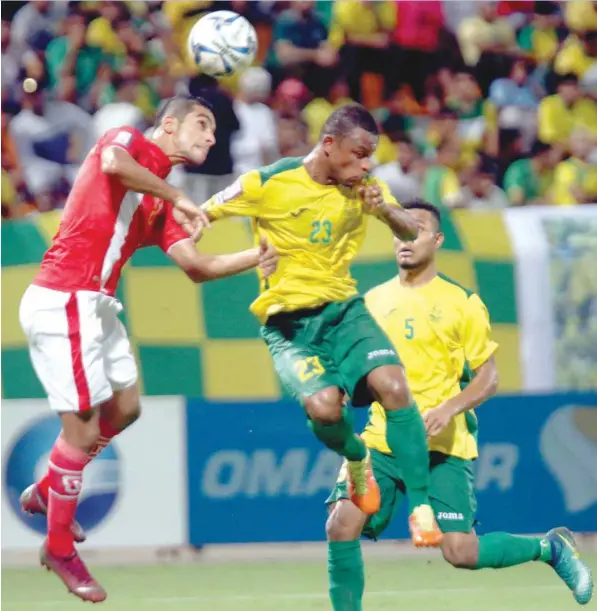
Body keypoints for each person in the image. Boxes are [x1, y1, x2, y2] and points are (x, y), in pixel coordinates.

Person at [18, 94, 279, 603]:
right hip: (63, 297)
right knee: (83, 428)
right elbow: (116, 164)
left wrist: (258, 255)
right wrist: (180, 197)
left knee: (128, 407)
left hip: (96, 306)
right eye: (201, 125)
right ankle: (58, 548)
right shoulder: (125, 143)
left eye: (213, 130)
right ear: (167, 125)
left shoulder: (160, 200)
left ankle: (50, 486)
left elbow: (197, 268)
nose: (210, 136)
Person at [325, 199, 594, 611]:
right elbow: (356, 365)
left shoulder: (462, 302)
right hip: (382, 441)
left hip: (443, 446)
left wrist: (449, 408)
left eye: (415, 231)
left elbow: (489, 377)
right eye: (399, 231)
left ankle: (550, 549)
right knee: (341, 525)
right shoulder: (373, 302)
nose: (405, 240)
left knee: (460, 552)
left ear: (438, 239)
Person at [201, 104, 443, 550]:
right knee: (325, 409)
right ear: (329, 145)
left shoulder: (367, 187)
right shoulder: (266, 182)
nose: (367, 164)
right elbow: (200, 215)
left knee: (393, 386)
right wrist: (181, 234)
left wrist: (386, 212)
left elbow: (412, 231)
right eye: (360, 153)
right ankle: (356, 457)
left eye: (371, 155)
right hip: (288, 325)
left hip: (343, 312)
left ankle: (423, 508)